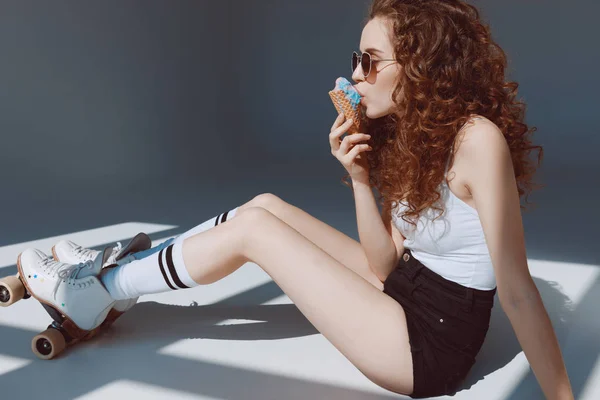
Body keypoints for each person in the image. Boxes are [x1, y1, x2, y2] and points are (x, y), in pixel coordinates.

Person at [18, 0, 573, 398]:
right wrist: (359, 177)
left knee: (256, 234)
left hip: (427, 347)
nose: (355, 74)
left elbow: (519, 292)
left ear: (421, 68)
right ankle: (124, 276)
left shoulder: (478, 141)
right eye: (357, 57)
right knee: (265, 206)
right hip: (403, 291)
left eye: (371, 61)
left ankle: (98, 292)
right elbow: (386, 266)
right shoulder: (408, 133)